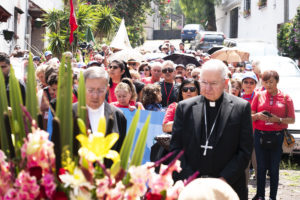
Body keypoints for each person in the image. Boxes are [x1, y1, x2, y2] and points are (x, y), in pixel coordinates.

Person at [169, 59, 253, 200]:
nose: (207, 88)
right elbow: (176, 148)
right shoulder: (185, 108)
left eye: (213, 83)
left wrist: (223, 181)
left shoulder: (241, 107)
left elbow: (245, 150)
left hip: (228, 187)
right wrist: (191, 179)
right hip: (191, 188)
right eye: (203, 82)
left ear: (225, 83)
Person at [251, 70, 295, 200]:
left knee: (274, 168)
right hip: (260, 135)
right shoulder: (258, 95)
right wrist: (257, 116)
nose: (268, 85)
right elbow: (249, 116)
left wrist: (279, 120)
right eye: (265, 82)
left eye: (271, 82)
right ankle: (260, 196)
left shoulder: (286, 97)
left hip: (277, 135)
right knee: (261, 167)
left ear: (277, 81)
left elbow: (292, 119)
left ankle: (272, 197)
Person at [73, 67, 127, 156]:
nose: (95, 96)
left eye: (100, 90)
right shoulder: (70, 114)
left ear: (107, 88)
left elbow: (121, 152)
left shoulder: (118, 115)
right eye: (90, 90)